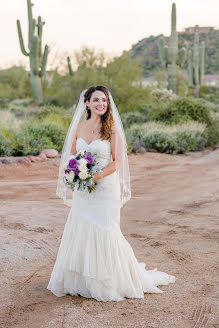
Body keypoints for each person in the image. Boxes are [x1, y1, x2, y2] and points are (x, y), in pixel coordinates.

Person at [47, 85, 176, 302]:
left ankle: (109, 280)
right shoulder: (78, 128)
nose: (101, 104)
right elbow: (71, 157)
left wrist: (94, 177)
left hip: (105, 188)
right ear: (86, 103)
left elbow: (117, 162)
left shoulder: (112, 128)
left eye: (104, 101)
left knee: (105, 228)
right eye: (96, 100)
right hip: (83, 190)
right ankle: (81, 281)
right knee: (82, 226)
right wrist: (77, 173)